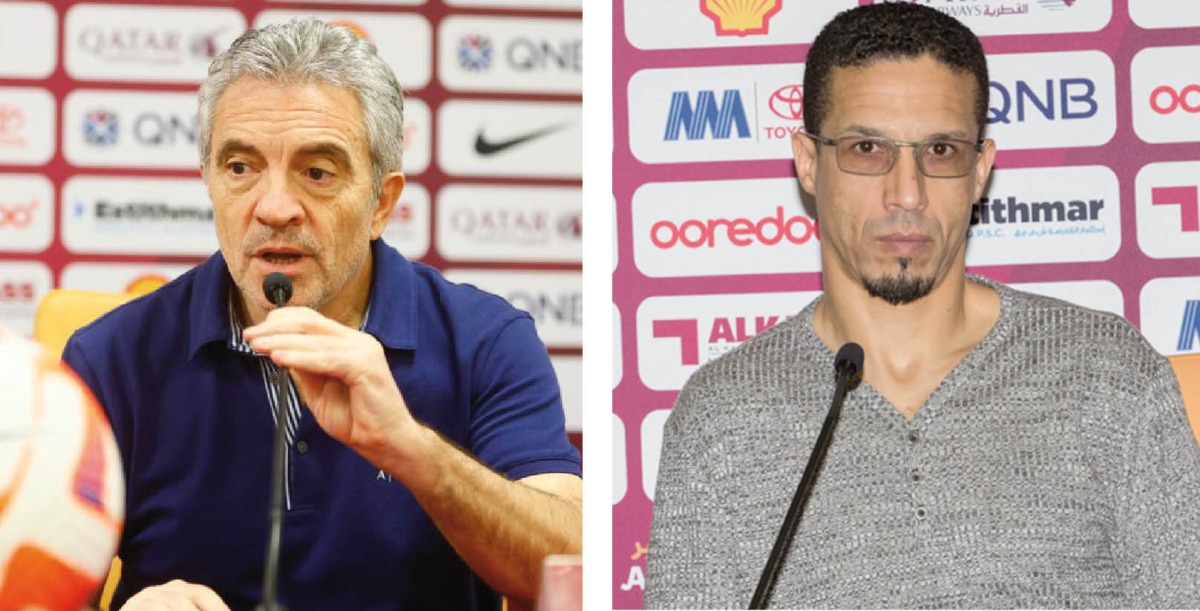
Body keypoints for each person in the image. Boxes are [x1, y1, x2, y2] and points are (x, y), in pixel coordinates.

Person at [644, 4, 1200, 608]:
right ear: (809, 162)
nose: (906, 192)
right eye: (866, 148)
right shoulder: (722, 414)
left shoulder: (1107, 374)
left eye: (940, 150)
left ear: (980, 168)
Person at [62, 18, 581, 611]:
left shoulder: (486, 341)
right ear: (208, 180)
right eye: (240, 167)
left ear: (381, 202)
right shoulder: (110, 360)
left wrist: (414, 451)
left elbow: (575, 565)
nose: (276, 207)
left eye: (317, 172)